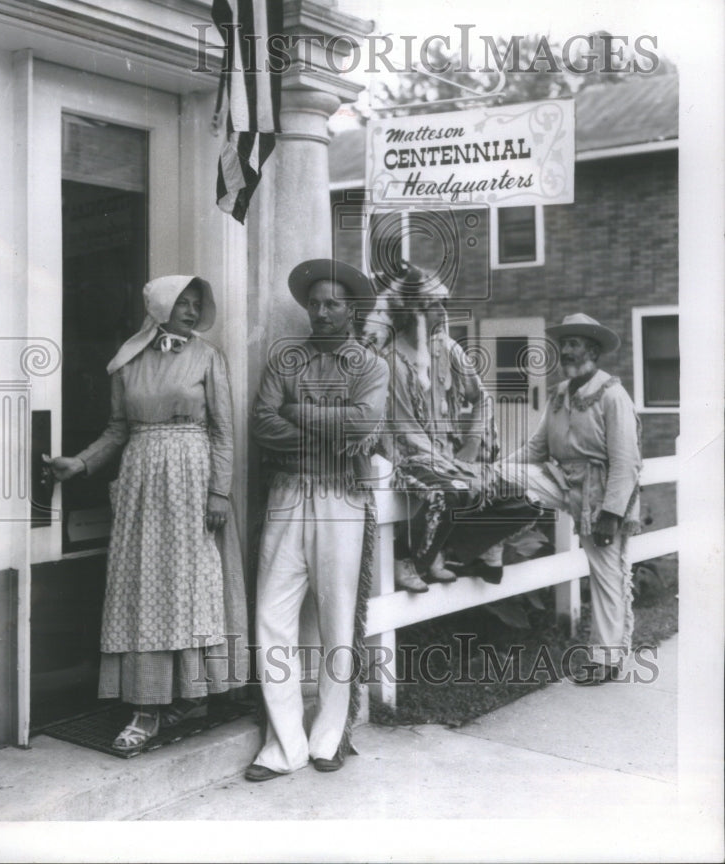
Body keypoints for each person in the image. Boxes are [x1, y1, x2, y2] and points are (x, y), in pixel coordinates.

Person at [46, 275, 248, 749]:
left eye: (198, 305)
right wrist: (80, 463)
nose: (192, 312)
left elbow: (223, 430)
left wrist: (219, 492)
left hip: (193, 485)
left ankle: (191, 695)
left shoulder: (207, 356)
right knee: (144, 590)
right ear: (159, 306)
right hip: (142, 488)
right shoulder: (127, 362)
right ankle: (146, 707)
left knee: (191, 587)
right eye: (183, 303)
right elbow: (117, 431)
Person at [244, 259, 389, 781]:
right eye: (315, 303)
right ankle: (284, 747)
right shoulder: (286, 359)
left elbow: (364, 424)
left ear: (351, 310)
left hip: (340, 497)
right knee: (272, 619)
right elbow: (262, 424)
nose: (321, 312)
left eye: (333, 304)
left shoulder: (370, 366)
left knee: (336, 618)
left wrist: (298, 413)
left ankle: (329, 737)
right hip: (286, 493)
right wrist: (328, 429)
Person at [364, 261, 541, 591]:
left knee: (520, 495)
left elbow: (482, 399)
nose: (441, 313)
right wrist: (451, 466)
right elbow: (403, 429)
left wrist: (472, 445)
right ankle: (410, 560)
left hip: (452, 455)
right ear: (413, 311)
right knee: (449, 491)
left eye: (442, 305)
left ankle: (458, 548)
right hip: (411, 458)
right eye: (433, 306)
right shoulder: (390, 360)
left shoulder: (448, 349)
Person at [503, 313, 642, 685]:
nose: (566, 350)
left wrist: (612, 514)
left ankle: (607, 658)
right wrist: (493, 469)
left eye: (574, 343)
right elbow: (535, 449)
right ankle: (483, 548)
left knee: (607, 572)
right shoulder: (560, 393)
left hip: (600, 493)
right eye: (564, 344)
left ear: (592, 350)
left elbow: (626, 461)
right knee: (502, 477)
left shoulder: (612, 394)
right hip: (563, 482)